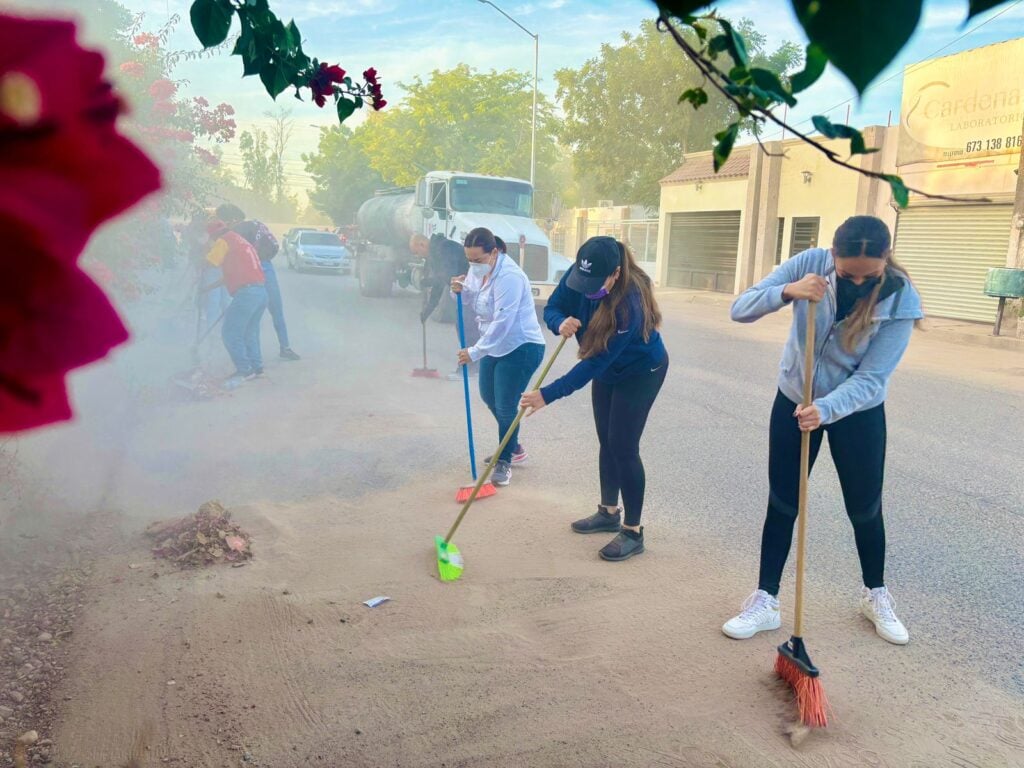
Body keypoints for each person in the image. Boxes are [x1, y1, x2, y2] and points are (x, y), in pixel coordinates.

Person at [721, 215, 924, 646]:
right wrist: (786, 292)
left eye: (868, 275)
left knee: (864, 508)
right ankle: (766, 600)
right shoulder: (810, 263)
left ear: (886, 259)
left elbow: (873, 378)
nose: (857, 282)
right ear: (833, 255)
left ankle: (876, 594)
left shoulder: (900, 298)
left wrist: (826, 409)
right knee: (783, 501)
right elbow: (740, 308)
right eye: (848, 273)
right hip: (795, 400)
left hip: (857, 412)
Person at [520, 236, 668, 562]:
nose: (585, 289)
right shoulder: (581, 274)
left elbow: (595, 362)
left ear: (615, 274)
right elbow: (554, 306)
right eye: (581, 279)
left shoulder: (629, 304)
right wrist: (561, 322)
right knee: (606, 440)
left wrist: (547, 394)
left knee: (623, 446)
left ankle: (632, 531)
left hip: (640, 371)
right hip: (608, 370)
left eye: (594, 283)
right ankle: (608, 512)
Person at [451, 227, 545, 487]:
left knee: (505, 405)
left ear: (494, 252)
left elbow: (503, 320)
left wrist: (474, 351)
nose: (473, 265)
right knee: (488, 396)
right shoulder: (478, 268)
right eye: (469, 260)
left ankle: (505, 460)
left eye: (478, 260)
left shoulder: (510, 277)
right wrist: (459, 289)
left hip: (521, 346)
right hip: (494, 344)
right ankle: (513, 445)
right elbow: (472, 298)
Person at [216, 203, 300, 362]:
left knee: (252, 318)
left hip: (252, 272)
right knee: (277, 311)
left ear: (231, 219)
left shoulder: (234, 233)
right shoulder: (257, 224)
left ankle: (254, 359)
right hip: (267, 267)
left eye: (223, 220)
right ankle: (285, 347)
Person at [204, 219, 269, 386]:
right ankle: (257, 368)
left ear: (212, 236)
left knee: (230, 333)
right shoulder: (239, 241)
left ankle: (245, 370)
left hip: (247, 293)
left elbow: (210, 262)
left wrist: (201, 254)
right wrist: (207, 288)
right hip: (260, 291)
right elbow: (231, 275)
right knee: (250, 331)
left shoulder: (223, 241)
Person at [411, 233, 475, 379]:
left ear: (422, 245)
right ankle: (471, 367)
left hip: (471, 292)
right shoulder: (435, 254)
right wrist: (427, 310)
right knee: (463, 328)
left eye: (417, 252)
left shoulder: (444, 248)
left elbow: (449, 275)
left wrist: (429, 281)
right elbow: (439, 287)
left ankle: (469, 369)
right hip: (462, 293)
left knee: (467, 330)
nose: (419, 256)